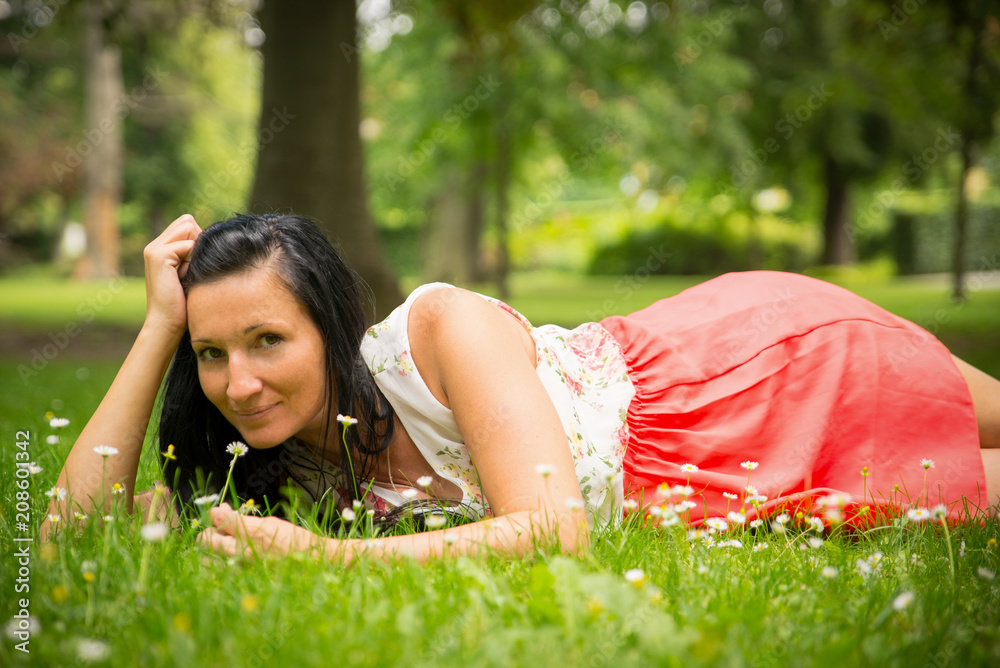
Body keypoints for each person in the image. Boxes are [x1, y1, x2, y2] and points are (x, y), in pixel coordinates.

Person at [40, 213, 1000, 563]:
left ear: (331, 326)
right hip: (725, 490)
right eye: (212, 354)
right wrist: (160, 326)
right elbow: (72, 533)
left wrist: (324, 561)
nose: (240, 383)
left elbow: (553, 529)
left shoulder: (437, 331)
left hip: (760, 374)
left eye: (267, 341)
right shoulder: (275, 461)